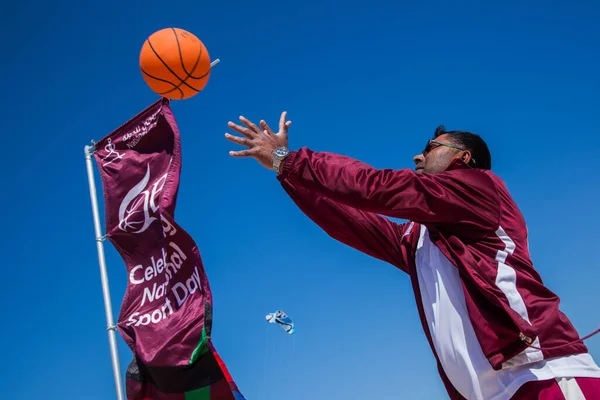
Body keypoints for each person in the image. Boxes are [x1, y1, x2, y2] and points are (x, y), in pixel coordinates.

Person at [224, 112, 600, 399]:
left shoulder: (479, 189)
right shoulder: (418, 235)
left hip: (544, 375)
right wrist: (283, 169)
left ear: (463, 158)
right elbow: (351, 222)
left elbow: (379, 187)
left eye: (431, 149)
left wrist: (291, 160)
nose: (417, 156)